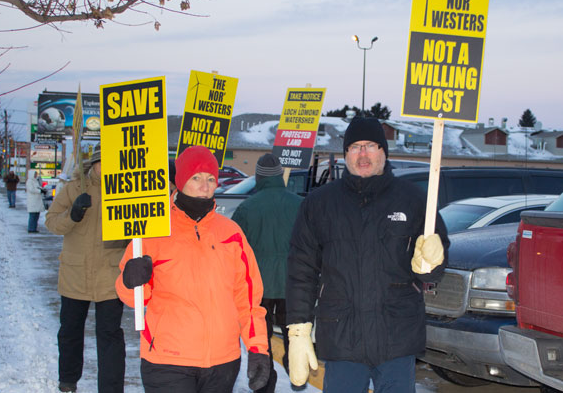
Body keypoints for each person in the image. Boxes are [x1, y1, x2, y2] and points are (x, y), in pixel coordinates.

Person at [285, 116, 450, 393]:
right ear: (346, 154)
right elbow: (301, 270)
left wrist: (432, 262)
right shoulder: (320, 204)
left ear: (383, 152)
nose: (363, 154)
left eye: (371, 145)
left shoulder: (414, 200)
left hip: (396, 338)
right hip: (341, 339)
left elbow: (433, 271)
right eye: (355, 147)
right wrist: (299, 329)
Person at [116, 145, 270, 393]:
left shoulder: (231, 233)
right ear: (180, 180)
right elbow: (132, 298)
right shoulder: (153, 230)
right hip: (167, 361)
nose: (205, 186)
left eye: (210, 179)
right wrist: (130, 280)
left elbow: (248, 300)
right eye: (196, 177)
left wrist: (257, 348)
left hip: (223, 362)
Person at [45, 146, 128, 393]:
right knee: (70, 331)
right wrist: (73, 215)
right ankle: (68, 381)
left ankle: (111, 389)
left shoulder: (126, 191)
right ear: (93, 164)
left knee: (110, 336)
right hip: (74, 275)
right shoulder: (73, 189)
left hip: (110, 276)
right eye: (103, 162)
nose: (107, 167)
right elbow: (51, 223)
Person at [231, 153, 303, 392]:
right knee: (294, 333)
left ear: (259, 177)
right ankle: (297, 372)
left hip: (258, 286)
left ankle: (264, 383)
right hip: (293, 283)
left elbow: (234, 251)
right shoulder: (300, 204)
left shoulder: (246, 208)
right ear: (280, 176)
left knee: (261, 339)